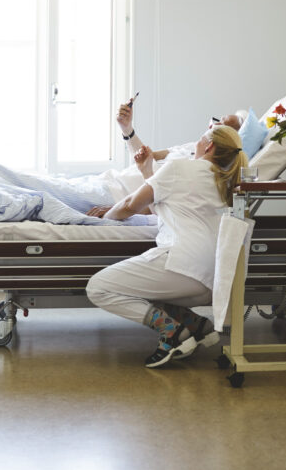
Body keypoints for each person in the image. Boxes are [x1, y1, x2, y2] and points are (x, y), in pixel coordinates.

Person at [85, 124, 249, 368]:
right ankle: (198, 326)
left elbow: (131, 204)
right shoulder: (224, 179)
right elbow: (163, 205)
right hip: (213, 278)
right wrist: (146, 171)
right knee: (147, 290)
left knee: (97, 287)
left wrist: (105, 217)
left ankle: (173, 333)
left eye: (199, 138)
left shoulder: (180, 167)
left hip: (183, 265)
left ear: (209, 146)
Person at [85, 99, 242, 217]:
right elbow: (146, 156)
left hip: (119, 195)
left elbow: (152, 204)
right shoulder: (190, 148)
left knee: (60, 195)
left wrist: (111, 212)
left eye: (220, 125)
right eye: (216, 120)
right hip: (113, 180)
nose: (211, 125)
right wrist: (127, 129)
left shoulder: (191, 171)